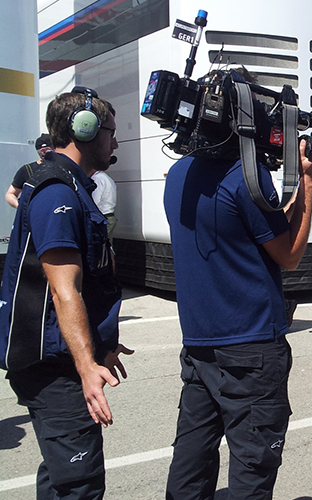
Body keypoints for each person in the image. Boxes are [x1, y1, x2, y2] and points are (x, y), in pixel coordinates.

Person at [163, 108, 312, 498]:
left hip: (200, 348)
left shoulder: (179, 173)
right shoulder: (246, 177)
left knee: (191, 465)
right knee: (252, 470)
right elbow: (287, 254)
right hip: (251, 351)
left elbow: (249, 229)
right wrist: (306, 186)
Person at [0, 88, 130, 499]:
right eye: (111, 131)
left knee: (60, 475)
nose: (115, 140)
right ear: (84, 131)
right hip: (53, 368)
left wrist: (101, 342)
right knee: (80, 482)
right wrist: (87, 367)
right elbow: (64, 290)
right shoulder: (58, 192)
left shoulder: (69, 187)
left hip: (58, 359)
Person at [5, 133, 54, 208]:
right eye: (55, 148)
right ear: (43, 151)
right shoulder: (27, 170)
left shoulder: (61, 168)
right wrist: (21, 207)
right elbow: (10, 194)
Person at [91, 170, 117, 239]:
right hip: (110, 216)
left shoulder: (97, 178)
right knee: (107, 246)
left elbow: (94, 201)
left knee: (101, 245)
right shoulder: (107, 177)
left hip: (102, 218)